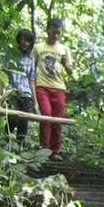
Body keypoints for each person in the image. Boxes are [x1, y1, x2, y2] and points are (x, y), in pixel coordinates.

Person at [32, 16, 75, 157]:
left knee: (58, 119)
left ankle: (55, 150)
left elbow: (70, 71)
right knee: (46, 116)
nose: (55, 35)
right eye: (53, 32)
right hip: (42, 86)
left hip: (59, 87)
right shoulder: (38, 47)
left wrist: (65, 64)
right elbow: (31, 67)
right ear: (47, 30)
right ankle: (45, 148)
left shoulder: (64, 48)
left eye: (58, 33)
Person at [3, 28, 37, 144]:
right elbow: (2, 72)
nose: (25, 43)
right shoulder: (9, 55)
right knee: (12, 118)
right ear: (19, 39)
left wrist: (35, 101)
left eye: (28, 41)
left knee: (24, 120)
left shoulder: (31, 59)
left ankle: (20, 146)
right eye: (23, 40)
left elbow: (31, 79)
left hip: (26, 93)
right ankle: (5, 142)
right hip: (12, 91)